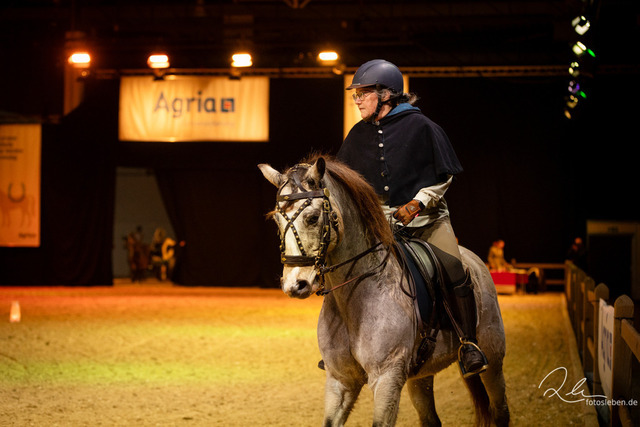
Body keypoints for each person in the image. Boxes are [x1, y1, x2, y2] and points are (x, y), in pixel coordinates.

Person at [336, 59, 487, 378]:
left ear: (386, 94)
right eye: (355, 95)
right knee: (344, 269)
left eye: (363, 94)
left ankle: (468, 343)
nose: (357, 100)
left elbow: (445, 175)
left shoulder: (423, 127)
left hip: (427, 220)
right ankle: (341, 345)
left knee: (453, 268)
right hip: (380, 226)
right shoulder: (357, 135)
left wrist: (417, 203)